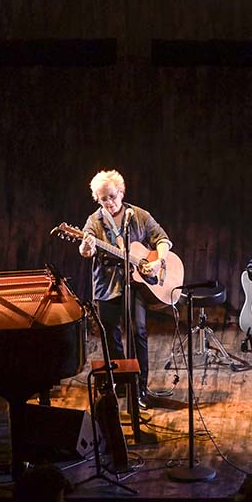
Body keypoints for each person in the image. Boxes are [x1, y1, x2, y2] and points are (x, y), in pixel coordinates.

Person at [79, 170, 172, 408]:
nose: (109, 203)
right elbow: (86, 248)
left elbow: (163, 239)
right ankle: (120, 382)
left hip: (135, 285)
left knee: (137, 332)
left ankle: (140, 388)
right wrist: (86, 249)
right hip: (107, 285)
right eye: (103, 199)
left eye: (112, 196)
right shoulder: (94, 222)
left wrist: (157, 261)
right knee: (110, 333)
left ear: (121, 192)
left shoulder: (138, 215)